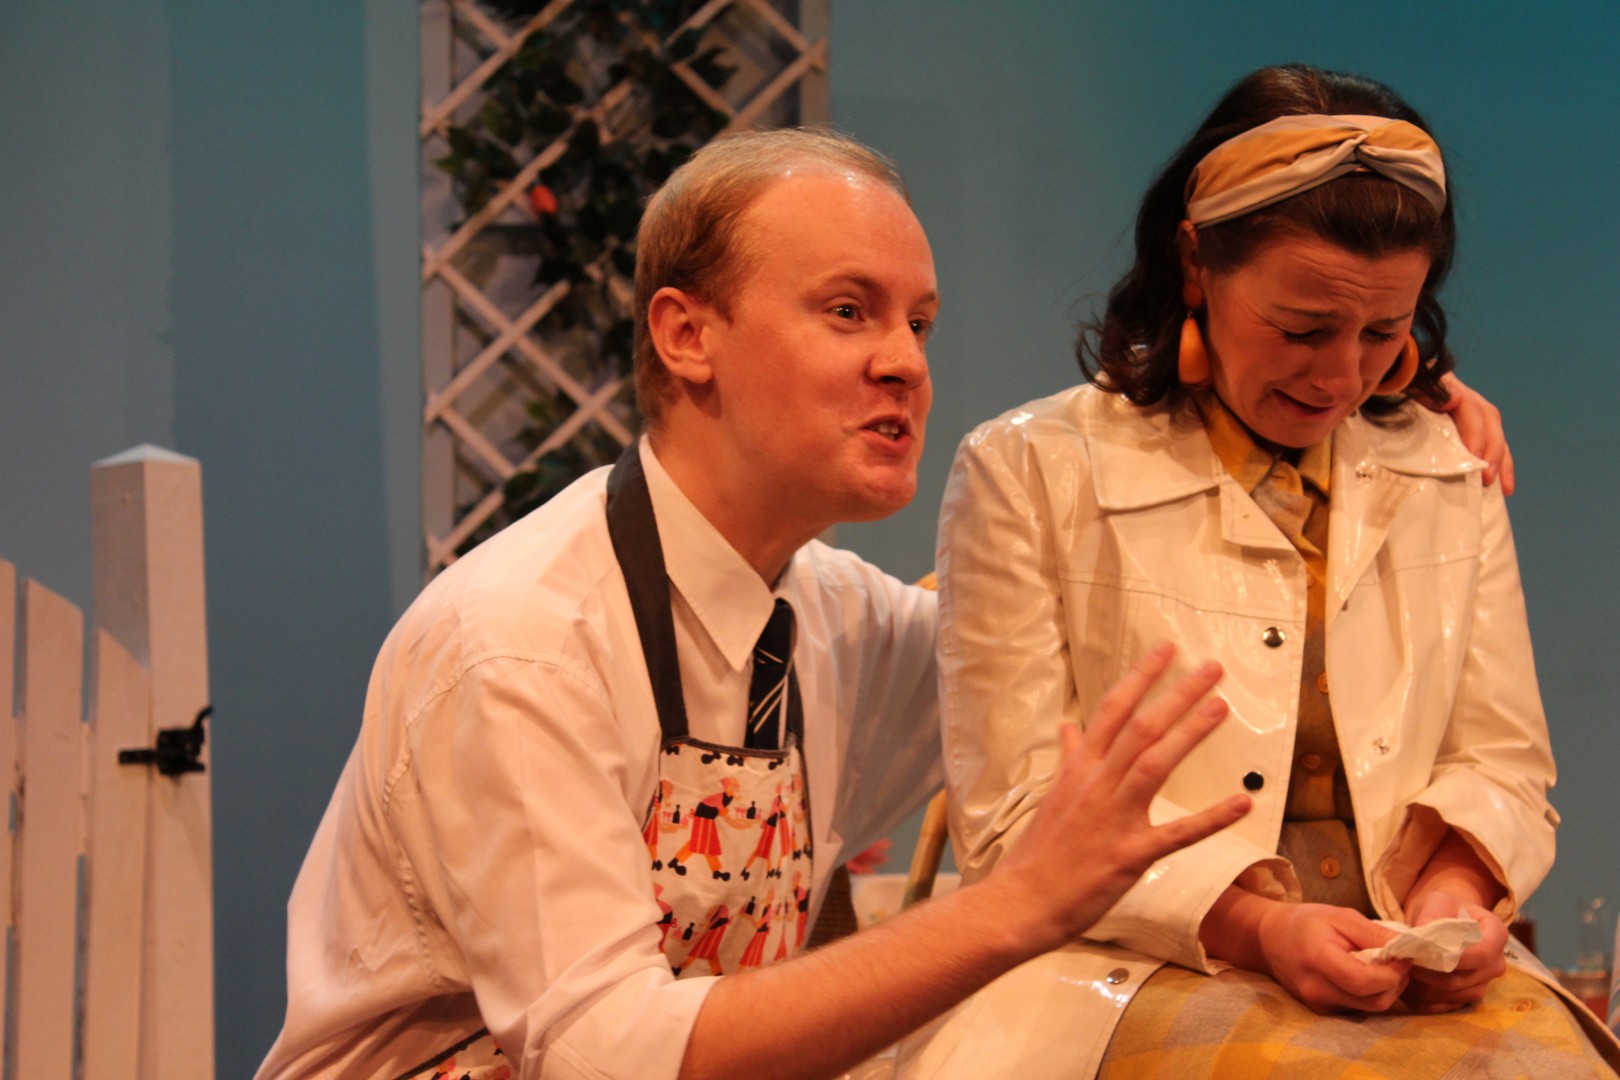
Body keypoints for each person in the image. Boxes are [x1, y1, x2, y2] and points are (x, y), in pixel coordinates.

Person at [254, 128, 1258, 1080]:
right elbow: (604, 1053)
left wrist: (1313, 421)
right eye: (849, 311)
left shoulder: (836, 617)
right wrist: (1015, 906)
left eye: (919, 323)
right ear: (687, 334)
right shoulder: (525, 644)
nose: (906, 362)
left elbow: (1068, 655)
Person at [901, 65, 1620, 1079]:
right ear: (1196, 262)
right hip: (1126, 965)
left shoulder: (1448, 468)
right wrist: (1255, 925)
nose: (1341, 376)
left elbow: (1502, 761)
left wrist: (1454, 896)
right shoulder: (1027, 471)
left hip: (1396, 961)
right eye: (1302, 328)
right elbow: (1016, 816)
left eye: (1383, 332)